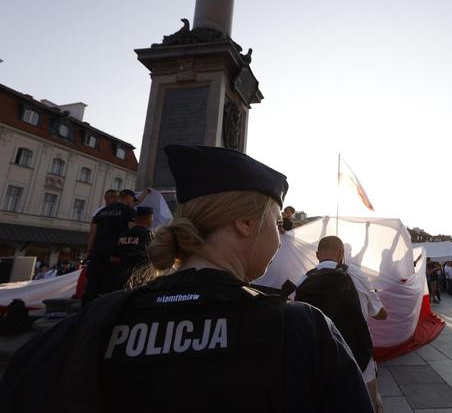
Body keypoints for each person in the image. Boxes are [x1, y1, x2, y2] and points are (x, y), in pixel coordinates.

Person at [0, 145, 373, 413]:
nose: (279, 236)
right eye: (275, 224)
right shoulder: (302, 328)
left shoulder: (96, 320)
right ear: (244, 223)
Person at [294, 235, 386, 412]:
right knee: (369, 404)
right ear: (341, 253)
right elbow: (380, 314)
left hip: (320, 367)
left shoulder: (302, 281)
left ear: (317, 255)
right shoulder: (355, 275)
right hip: (360, 360)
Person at [83, 189, 137, 305]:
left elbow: (92, 233)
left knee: (93, 284)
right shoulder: (128, 211)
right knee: (111, 285)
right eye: (133, 200)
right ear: (127, 198)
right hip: (115, 253)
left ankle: (85, 312)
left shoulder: (101, 212)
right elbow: (132, 232)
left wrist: (88, 251)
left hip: (97, 252)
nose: (133, 203)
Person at [110, 206, 154, 291]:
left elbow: (113, 258)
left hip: (120, 278)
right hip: (139, 279)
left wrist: (125, 259)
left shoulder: (123, 234)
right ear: (148, 219)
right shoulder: (149, 236)